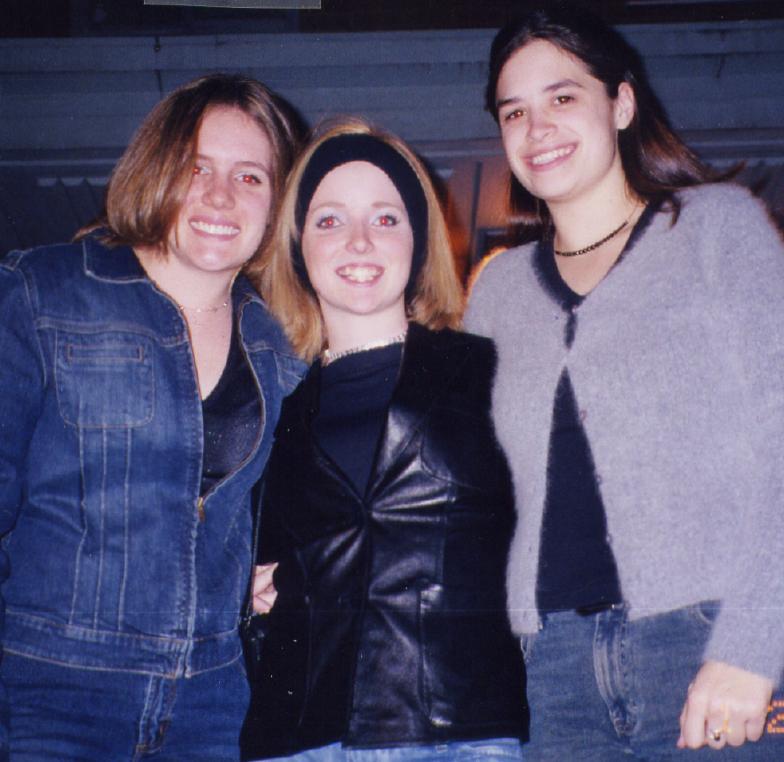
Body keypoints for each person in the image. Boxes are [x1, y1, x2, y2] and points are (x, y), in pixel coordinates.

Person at [465, 3, 784, 759]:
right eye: (514, 111)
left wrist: (756, 641)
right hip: (549, 672)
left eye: (563, 96)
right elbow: (472, 492)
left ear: (622, 103)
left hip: (709, 639)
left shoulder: (717, 228)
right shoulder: (497, 290)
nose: (537, 128)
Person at [0, 73, 305, 760]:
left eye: (250, 177)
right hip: (54, 690)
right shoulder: (44, 292)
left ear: (277, 203)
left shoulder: (284, 343)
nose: (221, 196)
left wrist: (284, 566)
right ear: (156, 169)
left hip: (214, 700)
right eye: (197, 168)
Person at [239, 119, 527, 762]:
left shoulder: (491, 371)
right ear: (299, 246)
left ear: (419, 241)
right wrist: (245, 583)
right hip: (299, 739)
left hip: (461, 733)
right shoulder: (270, 406)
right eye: (330, 220)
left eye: (386, 218)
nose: (360, 241)